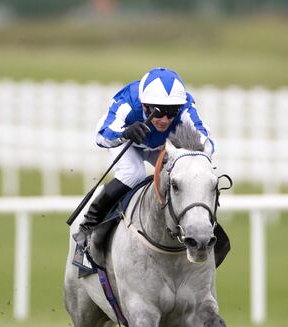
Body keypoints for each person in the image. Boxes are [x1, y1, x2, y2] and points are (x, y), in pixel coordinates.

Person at [79, 67, 214, 241]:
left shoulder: (186, 105)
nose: (165, 120)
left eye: (172, 112)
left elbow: (204, 135)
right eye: (158, 112)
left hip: (160, 146)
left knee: (183, 172)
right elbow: (101, 134)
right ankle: (90, 223)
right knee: (133, 173)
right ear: (144, 105)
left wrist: (197, 158)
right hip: (127, 142)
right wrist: (124, 133)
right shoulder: (127, 102)